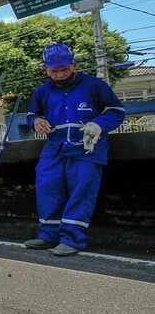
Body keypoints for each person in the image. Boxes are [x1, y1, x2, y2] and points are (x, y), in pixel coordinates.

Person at [23, 43, 125, 256]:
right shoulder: (42, 91)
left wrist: (99, 124)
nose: (60, 75)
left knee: (81, 189)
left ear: (73, 65)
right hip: (55, 146)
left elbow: (116, 111)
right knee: (47, 185)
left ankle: (72, 239)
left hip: (87, 147)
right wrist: (36, 122)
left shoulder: (95, 85)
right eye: (54, 71)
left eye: (65, 69)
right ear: (46, 70)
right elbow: (32, 114)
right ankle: (48, 234)